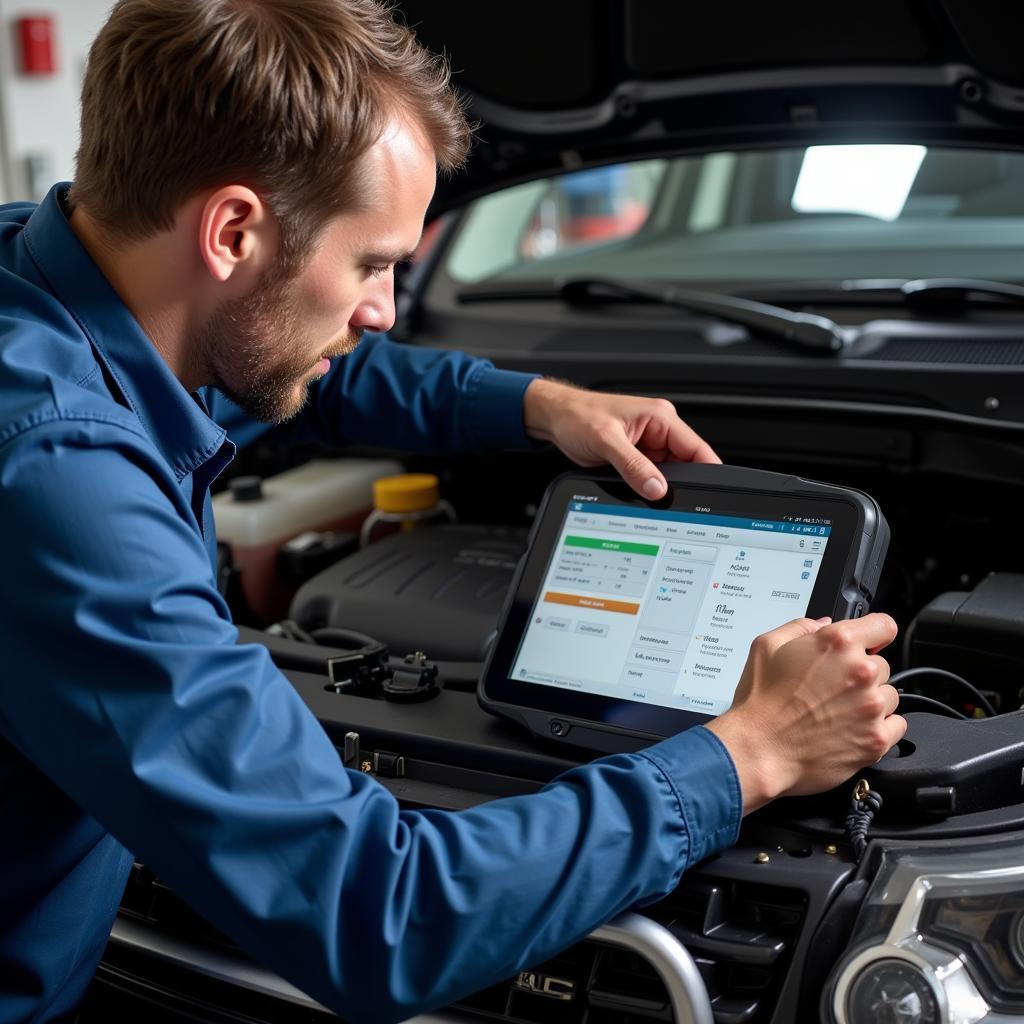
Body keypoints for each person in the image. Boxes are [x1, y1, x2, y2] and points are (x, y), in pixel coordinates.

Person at [0, 2, 906, 1022]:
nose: (384, 308)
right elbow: (380, 915)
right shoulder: (60, 479)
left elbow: (299, 369)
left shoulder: (48, 282)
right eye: (372, 263)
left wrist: (533, 405)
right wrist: (754, 750)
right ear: (233, 231)